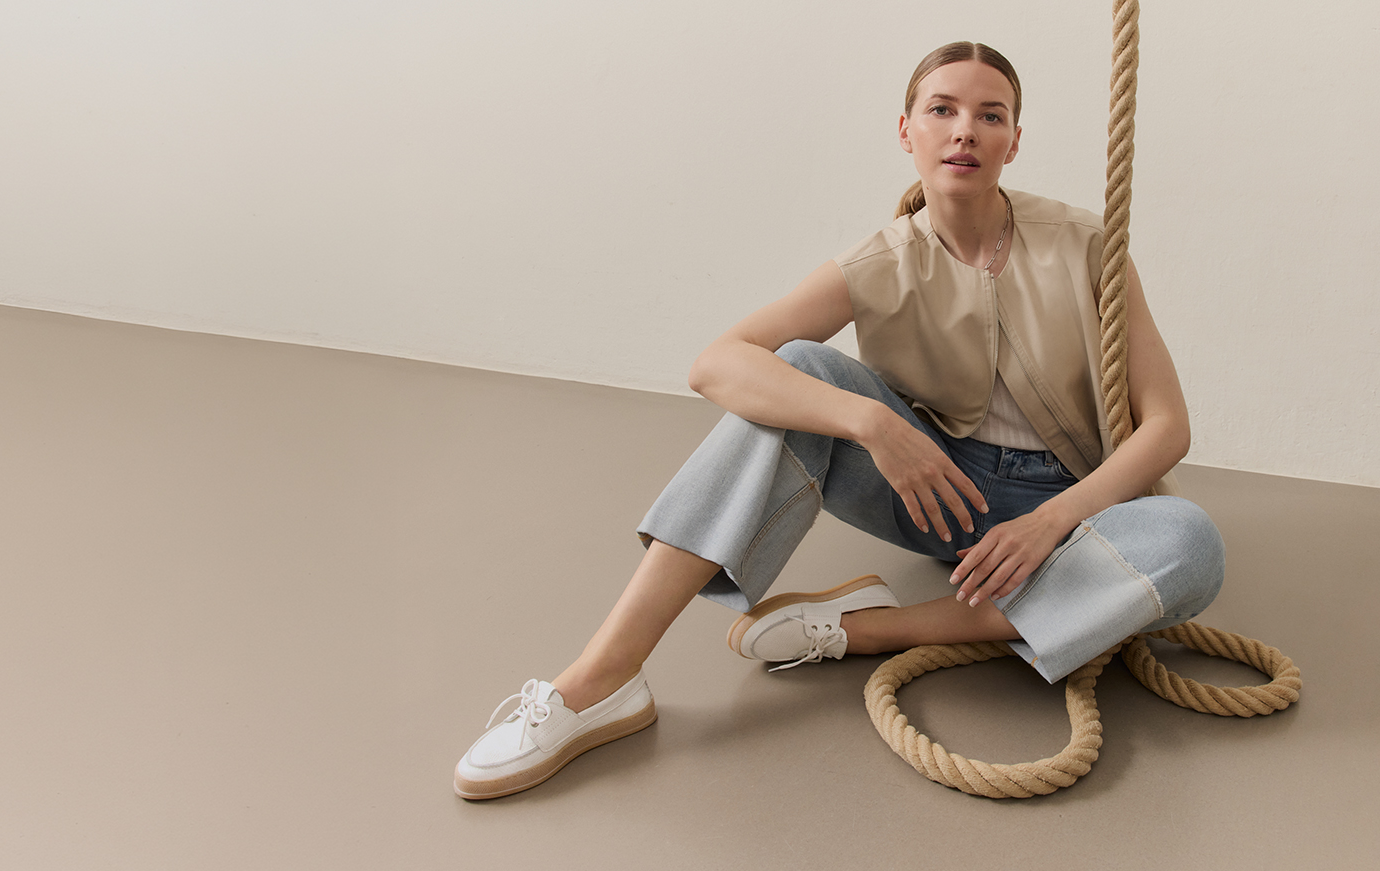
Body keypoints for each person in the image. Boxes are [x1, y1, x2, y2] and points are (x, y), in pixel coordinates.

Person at [453, 41, 1225, 800]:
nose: (965, 130)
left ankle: (873, 629)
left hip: (1072, 510)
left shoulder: (1088, 242)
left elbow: (1167, 427)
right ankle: (601, 680)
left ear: (1014, 142)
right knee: (800, 364)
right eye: (942, 110)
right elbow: (716, 363)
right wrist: (873, 425)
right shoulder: (880, 261)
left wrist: (1049, 522)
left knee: (1189, 542)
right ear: (907, 131)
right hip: (939, 492)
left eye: (990, 116)